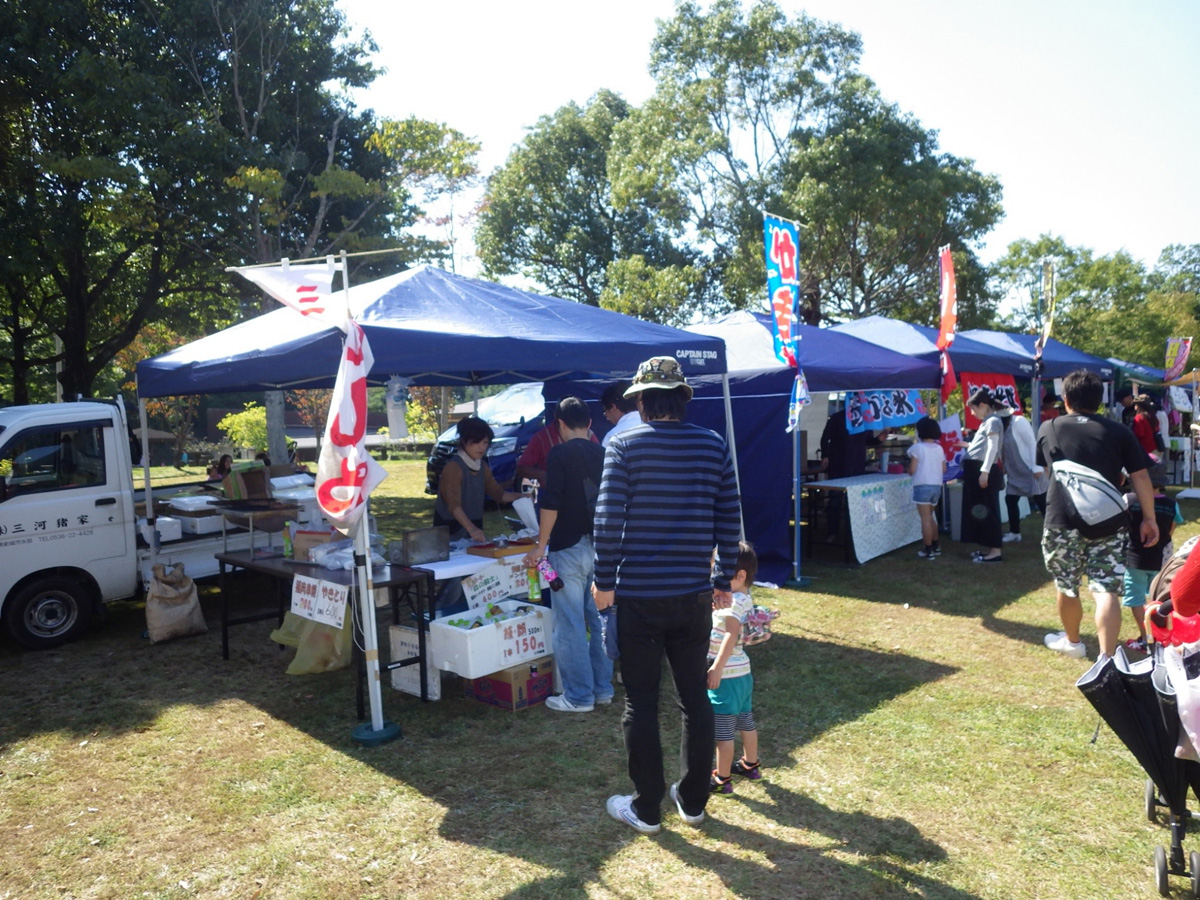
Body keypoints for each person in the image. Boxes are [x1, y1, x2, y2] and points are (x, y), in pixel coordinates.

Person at [593, 356, 742, 835]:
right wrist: (722, 582)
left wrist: (604, 582)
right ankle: (694, 800)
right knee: (695, 699)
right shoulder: (712, 444)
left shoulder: (624, 445)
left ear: (639, 400)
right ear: (682, 397)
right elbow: (730, 519)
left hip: (638, 595)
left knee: (641, 701)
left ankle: (647, 807)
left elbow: (607, 521)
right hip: (693, 596)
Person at [1038, 369, 1159, 660]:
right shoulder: (1119, 431)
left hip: (1062, 519)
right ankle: (1106, 656)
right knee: (1106, 589)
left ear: (1066, 398)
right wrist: (1149, 518)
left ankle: (1073, 642)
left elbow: (1046, 471)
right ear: (1099, 400)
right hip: (1109, 521)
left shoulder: (1049, 428)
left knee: (1067, 585)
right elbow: (1141, 477)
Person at [522, 396, 613, 712]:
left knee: (571, 623)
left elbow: (550, 503)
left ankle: (578, 696)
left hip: (567, 547)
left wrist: (540, 546)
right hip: (601, 546)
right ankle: (603, 688)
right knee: (598, 619)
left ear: (559, 425)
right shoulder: (604, 453)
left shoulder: (558, 454)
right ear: (589, 423)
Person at [707, 541, 762, 795]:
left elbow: (730, 634)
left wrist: (716, 668)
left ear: (740, 576)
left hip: (726, 675)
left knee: (723, 732)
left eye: (720, 573)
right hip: (743, 673)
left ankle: (722, 779)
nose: (714, 578)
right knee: (746, 721)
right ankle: (750, 764)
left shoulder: (732, 603)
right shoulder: (744, 599)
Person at [1121, 466, 1183, 653]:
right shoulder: (1172, 504)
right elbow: (1171, 529)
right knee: (1159, 597)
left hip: (1134, 559)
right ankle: (1164, 636)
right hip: (1162, 559)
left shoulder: (1128, 500)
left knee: (1136, 598)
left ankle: (1146, 637)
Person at [433, 416, 523, 543]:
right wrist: (472, 529)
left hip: (472, 534)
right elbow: (454, 506)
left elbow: (499, 495)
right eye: (476, 442)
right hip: (449, 534)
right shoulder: (454, 467)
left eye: (485, 443)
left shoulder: (482, 466)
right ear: (464, 441)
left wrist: (521, 496)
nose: (481, 447)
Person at [958, 387, 1009, 563]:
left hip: (984, 471)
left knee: (989, 510)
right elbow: (983, 446)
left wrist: (985, 471)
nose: (972, 413)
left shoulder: (993, 421)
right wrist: (966, 446)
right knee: (982, 511)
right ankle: (989, 548)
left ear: (982, 405)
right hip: (978, 470)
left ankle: (995, 552)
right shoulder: (988, 421)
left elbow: (993, 448)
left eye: (973, 409)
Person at [514, 403, 598, 488]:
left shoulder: (587, 433)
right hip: (552, 493)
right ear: (556, 417)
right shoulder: (541, 437)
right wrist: (543, 475)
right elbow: (522, 467)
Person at [1001, 408, 1048, 544]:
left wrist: (1037, 466)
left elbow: (1031, 443)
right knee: (1010, 500)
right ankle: (1014, 532)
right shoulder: (999, 426)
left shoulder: (1019, 421)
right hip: (1014, 471)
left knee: (1042, 503)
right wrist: (1004, 465)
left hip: (1030, 469)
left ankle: (1053, 533)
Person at [907, 416, 946, 560]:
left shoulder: (917, 448)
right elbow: (943, 468)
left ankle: (928, 549)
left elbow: (912, 468)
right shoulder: (939, 448)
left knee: (925, 519)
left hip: (922, 485)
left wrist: (908, 471)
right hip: (936, 486)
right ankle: (935, 545)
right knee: (930, 517)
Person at [600, 381, 640, 448]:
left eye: (605, 411)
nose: (607, 417)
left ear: (613, 407)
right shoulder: (652, 426)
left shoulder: (613, 436)